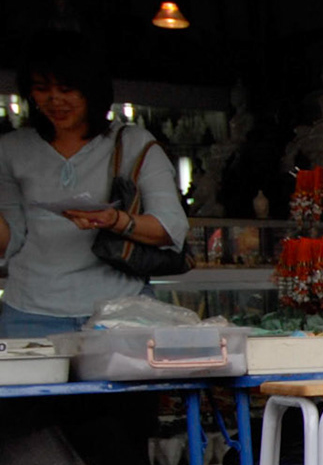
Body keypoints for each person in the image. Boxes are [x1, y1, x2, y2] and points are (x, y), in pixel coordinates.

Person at [0, 32, 189, 335]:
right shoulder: (11, 149)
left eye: (67, 89)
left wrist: (114, 220)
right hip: (29, 311)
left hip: (121, 311)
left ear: (93, 89)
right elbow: (10, 240)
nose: (55, 100)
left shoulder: (133, 143)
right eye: (42, 89)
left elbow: (171, 228)